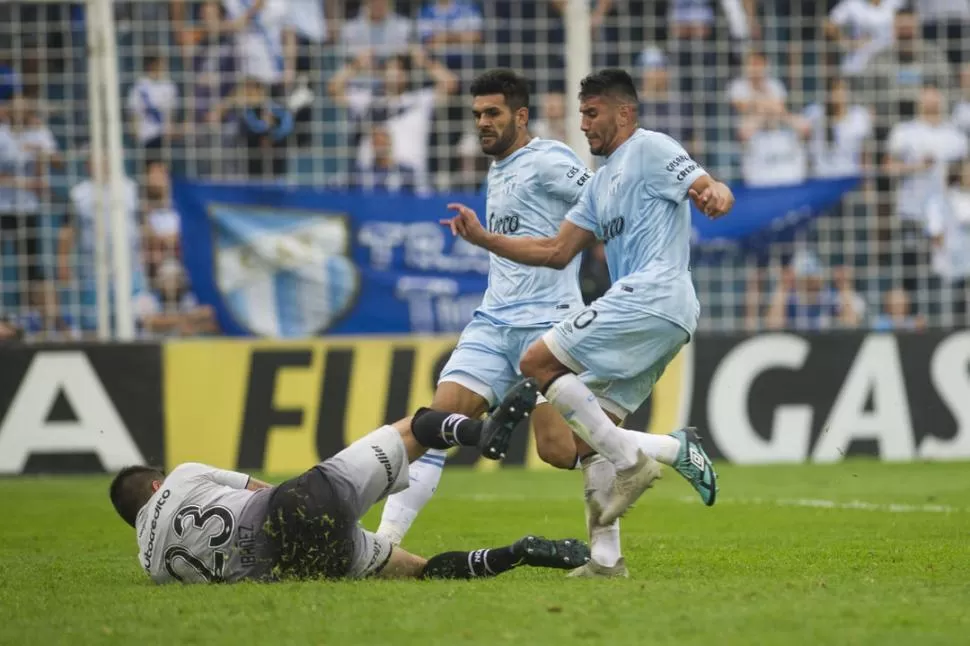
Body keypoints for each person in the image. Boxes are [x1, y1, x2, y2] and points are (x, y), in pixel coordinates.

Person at [442, 69, 731, 527]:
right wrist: (485, 240)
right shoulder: (599, 185)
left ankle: (636, 465)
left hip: (655, 293)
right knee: (571, 443)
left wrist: (716, 194)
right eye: (581, 114)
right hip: (659, 316)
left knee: (536, 362)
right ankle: (616, 541)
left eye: (592, 114)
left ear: (625, 113)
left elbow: (708, 186)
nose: (583, 124)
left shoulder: (649, 148)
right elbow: (555, 251)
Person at [110, 381, 590, 583]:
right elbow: (256, 488)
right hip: (294, 505)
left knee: (420, 570)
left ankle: (517, 553)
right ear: (156, 487)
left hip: (302, 562)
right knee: (418, 426)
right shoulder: (183, 475)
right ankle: (481, 432)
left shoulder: (151, 564)